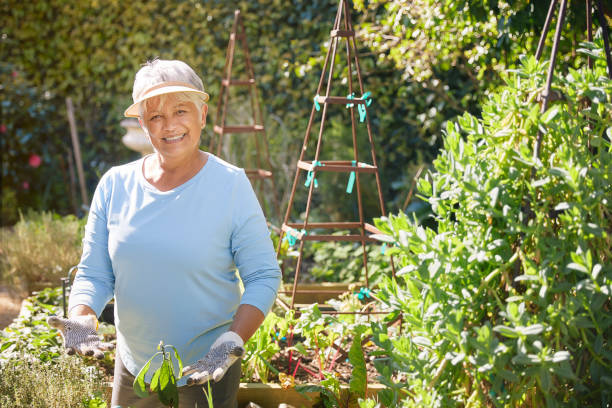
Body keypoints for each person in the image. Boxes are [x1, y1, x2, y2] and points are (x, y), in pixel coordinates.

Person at [47, 59, 281, 407]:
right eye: (155, 116)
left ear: (202, 115)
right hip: (135, 370)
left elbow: (263, 275)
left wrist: (230, 343)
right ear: (142, 124)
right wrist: (82, 320)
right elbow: (95, 273)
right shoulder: (114, 185)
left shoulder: (230, 184)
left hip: (208, 371)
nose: (169, 125)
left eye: (181, 111)